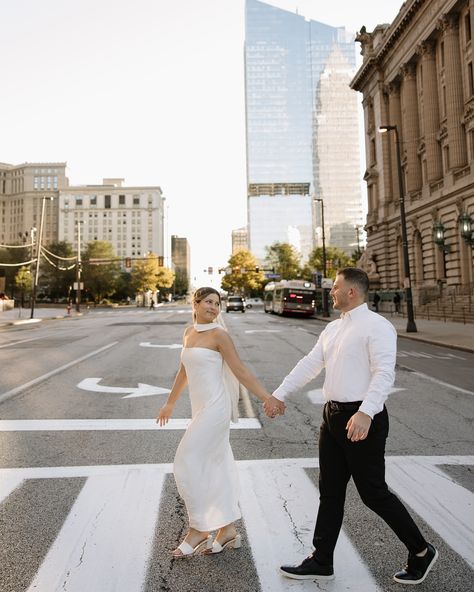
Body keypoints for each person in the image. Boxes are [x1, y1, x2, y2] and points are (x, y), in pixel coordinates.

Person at [264, 267, 437, 586]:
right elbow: (310, 365)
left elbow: (384, 373)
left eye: (335, 288)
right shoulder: (332, 329)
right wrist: (279, 394)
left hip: (361, 419)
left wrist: (367, 412)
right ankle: (321, 559)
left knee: (373, 493)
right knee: (330, 491)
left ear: (352, 292)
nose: (330, 291)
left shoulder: (378, 327)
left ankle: (422, 551)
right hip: (332, 418)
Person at [156, 286, 273, 557]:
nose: (213, 307)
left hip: (215, 409)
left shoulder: (220, 335)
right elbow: (184, 369)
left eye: (216, 303)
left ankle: (198, 529)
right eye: (208, 302)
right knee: (215, 465)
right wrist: (170, 402)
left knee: (186, 461)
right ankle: (228, 529)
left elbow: (240, 370)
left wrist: (266, 398)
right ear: (195, 304)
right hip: (200, 409)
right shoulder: (189, 333)